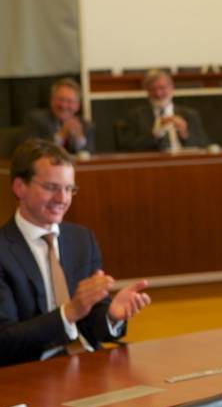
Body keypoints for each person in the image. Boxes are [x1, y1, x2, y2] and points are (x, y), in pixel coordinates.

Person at [0, 139, 151, 366]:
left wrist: (111, 315)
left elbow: (91, 323)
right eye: (52, 187)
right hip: (29, 372)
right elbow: (4, 341)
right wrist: (69, 313)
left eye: (69, 189)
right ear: (20, 187)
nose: (63, 199)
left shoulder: (82, 239)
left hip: (87, 363)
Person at [119, 69, 210, 151]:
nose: (158, 94)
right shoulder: (136, 116)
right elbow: (127, 147)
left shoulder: (190, 114)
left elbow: (204, 145)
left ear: (171, 88)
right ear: (147, 91)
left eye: (162, 88)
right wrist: (155, 134)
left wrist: (184, 133)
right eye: (153, 89)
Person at [21, 78, 96, 154]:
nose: (63, 105)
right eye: (60, 99)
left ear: (77, 106)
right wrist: (61, 135)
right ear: (51, 100)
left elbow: (91, 156)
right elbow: (32, 152)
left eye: (69, 101)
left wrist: (79, 139)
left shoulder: (86, 125)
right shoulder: (35, 120)